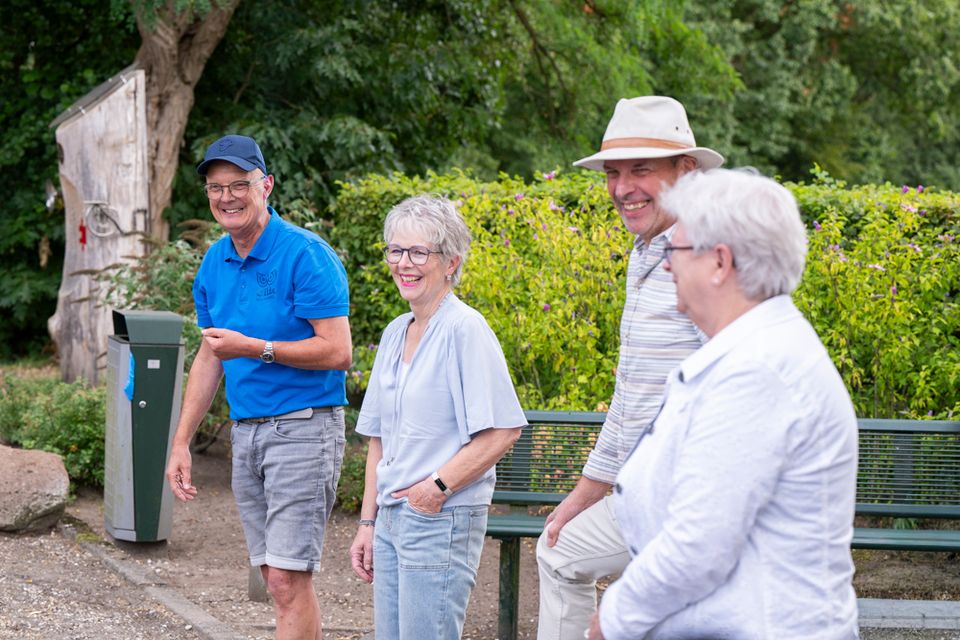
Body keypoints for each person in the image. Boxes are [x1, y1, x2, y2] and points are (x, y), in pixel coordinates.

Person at [586, 168, 860, 640]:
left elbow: (697, 547)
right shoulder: (751, 352)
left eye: (675, 250)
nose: (666, 264)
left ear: (719, 263)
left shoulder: (758, 372)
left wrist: (611, 621)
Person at [536, 96, 724, 640]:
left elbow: (742, 387)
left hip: (688, 500)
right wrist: (578, 499)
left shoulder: (704, 253)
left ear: (686, 171)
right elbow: (629, 406)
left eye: (641, 168)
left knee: (621, 601)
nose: (622, 187)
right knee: (558, 547)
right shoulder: (646, 253)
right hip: (641, 491)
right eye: (614, 172)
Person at [165, 134, 352, 640]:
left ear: (265, 185)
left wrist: (256, 347)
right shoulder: (214, 262)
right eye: (215, 187)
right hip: (246, 436)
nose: (226, 197)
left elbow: (338, 351)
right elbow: (210, 353)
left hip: (303, 428)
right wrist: (181, 442)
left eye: (238, 185)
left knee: (288, 578)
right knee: (274, 576)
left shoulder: (304, 254)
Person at [348, 195, 526, 640]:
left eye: (419, 252)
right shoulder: (394, 332)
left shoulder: (465, 329)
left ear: (451, 262)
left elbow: (504, 430)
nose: (404, 263)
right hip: (390, 517)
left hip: (439, 517)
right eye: (396, 250)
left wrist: (435, 489)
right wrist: (368, 523)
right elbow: (378, 441)